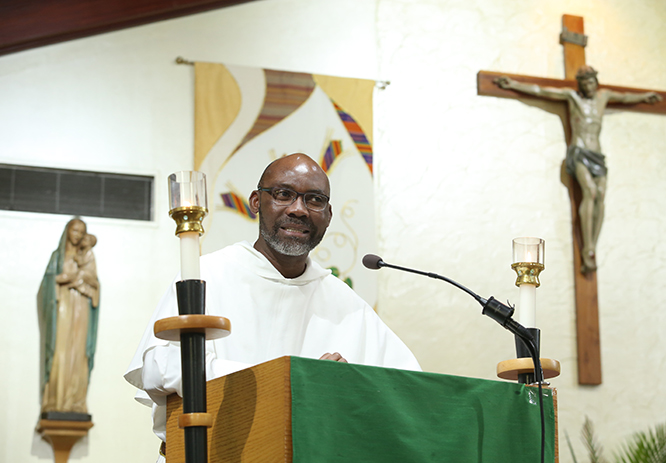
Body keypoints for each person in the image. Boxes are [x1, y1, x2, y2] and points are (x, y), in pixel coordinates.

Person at [125, 153, 420, 461]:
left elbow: (405, 394)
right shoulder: (205, 276)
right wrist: (294, 381)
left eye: (314, 200)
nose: (299, 209)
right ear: (256, 202)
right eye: (283, 194)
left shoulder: (347, 305)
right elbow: (162, 367)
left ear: (329, 214)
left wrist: (345, 386)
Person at [495, 66, 661, 272]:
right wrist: (514, 84)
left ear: (596, 82)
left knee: (600, 195)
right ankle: (587, 248)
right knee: (589, 192)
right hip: (579, 152)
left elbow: (626, 97)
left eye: (591, 82)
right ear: (580, 85)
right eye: (584, 83)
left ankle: (592, 245)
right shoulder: (572, 97)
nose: (588, 86)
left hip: (597, 155)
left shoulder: (604, 97)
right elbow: (540, 90)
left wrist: (645, 96)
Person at [38, 218, 100, 416]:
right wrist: (61, 279)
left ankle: (76, 401)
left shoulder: (87, 255)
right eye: (75, 230)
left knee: (78, 352)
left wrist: (87, 281)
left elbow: (95, 284)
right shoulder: (58, 257)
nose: (78, 235)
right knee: (60, 351)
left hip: (81, 306)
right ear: (68, 231)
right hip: (62, 304)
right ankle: (55, 401)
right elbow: (47, 284)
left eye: (82, 231)